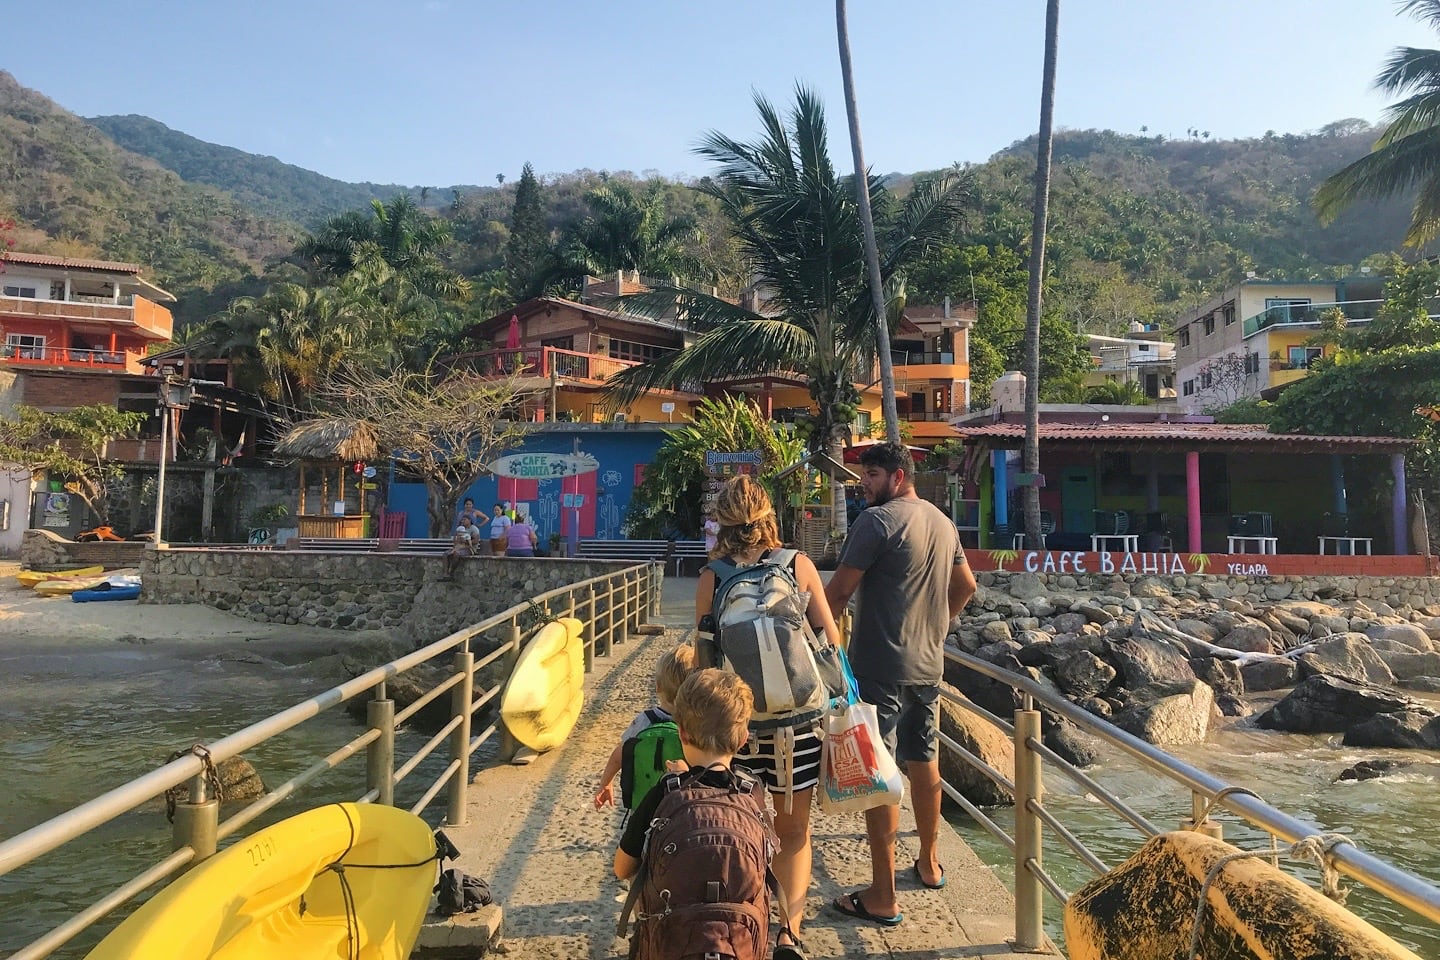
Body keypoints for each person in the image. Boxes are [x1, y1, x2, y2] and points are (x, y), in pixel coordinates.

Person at [824, 441, 977, 927]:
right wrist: (939, 626)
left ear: (896, 475)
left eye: (871, 475)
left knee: (880, 774)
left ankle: (883, 894)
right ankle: (929, 864)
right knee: (924, 761)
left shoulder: (876, 522)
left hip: (880, 666)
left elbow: (839, 592)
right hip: (928, 665)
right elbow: (967, 586)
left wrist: (817, 644)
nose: (863, 483)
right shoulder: (940, 521)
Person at [694, 475, 841, 958]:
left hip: (742, 726)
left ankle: (747, 922)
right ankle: (789, 932)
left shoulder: (712, 577)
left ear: (723, 522)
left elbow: (704, 662)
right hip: (801, 724)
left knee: (745, 827)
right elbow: (830, 642)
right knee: (795, 831)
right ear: (768, 514)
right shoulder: (797, 564)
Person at [614, 669, 781, 960]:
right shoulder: (752, 795)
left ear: (681, 733)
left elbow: (622, 867)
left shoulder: (665, 794)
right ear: (742, 739)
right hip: (737, 945)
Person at [593, 643, 697, 809]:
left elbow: (619, 754)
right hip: (682, 807)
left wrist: (605, 783)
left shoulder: (645, 721)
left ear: (657, 687)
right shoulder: (695, 726)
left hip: (643, 806)